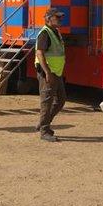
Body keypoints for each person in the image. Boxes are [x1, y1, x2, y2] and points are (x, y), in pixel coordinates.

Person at [35, 8, 67, 142]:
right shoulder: (45, 33)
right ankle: (44, 131)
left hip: (56, 72)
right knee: (46, 102)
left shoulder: (55, 32)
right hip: (48, 73)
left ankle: (43, 122)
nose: (60, 20)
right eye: (57, 17)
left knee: (60, 100)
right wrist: (47, 72)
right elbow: (40, 53)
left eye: (60, 17)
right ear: (48, 19)